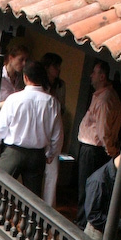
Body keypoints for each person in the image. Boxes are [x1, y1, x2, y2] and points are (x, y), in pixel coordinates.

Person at [0, 60, 63, 199]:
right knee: (31, 199)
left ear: (25, 77)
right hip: (37, 155)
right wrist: (51, 154)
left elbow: (1, 128)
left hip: (13, 152)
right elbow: (57, 134)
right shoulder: (52, 102)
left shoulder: (14, 99)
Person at [76, 61, 121, 228]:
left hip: (94, 150)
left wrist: (110, 149)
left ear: (102, 76)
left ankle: (82, 225)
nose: (91, 76)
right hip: (94, 149)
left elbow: (103, 130)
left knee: (87, 187)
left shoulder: (104, 99)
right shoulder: (102, 95)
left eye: (94, 73)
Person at [41, 52, 66, 208]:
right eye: (55, 66)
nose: (58, 70)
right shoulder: (39, 83)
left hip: (53, 127)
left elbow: (62, 108)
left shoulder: (60, 85)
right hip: (39, 129)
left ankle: (48, 206)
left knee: (52, 171)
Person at [0, 45, 30, 113]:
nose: (24, 63)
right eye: (21, 60)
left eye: (26, 60)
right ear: (11, 58)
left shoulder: (22, 78)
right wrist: (9, 102)